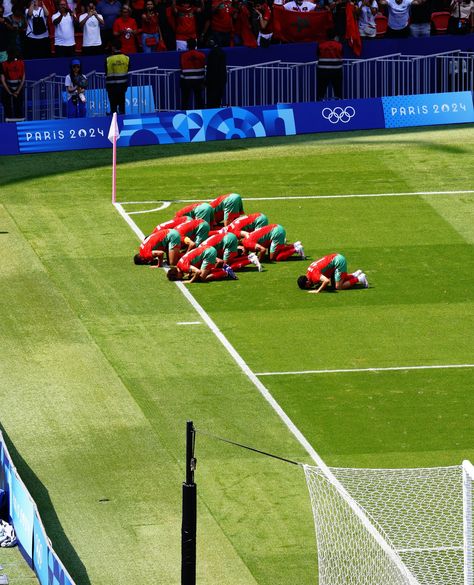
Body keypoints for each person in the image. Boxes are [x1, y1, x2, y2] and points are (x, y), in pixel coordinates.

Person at [297, 253, 368, 293]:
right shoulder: (309, 271)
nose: (310, 286)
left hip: (338, 262)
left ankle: (360, 278)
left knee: (338, 287)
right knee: (334, 283)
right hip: (335, 257)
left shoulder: (314, 275)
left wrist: (318, 290)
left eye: (308, 286)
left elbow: (327, 281)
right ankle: (354, 275)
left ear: (307, 282)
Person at [167, 244, 237, 282]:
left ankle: (225, 272)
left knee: (202, 278)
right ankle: (223, 269)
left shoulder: (183, 267)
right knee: (202, 272)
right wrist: (190, 274)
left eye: (178, 278)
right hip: (207, 249)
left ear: (177, 274)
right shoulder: (179, 264)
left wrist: (190, 281)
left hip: (208, 253)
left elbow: (198, 272)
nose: (180, 278)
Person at [241, 224, 305, 262]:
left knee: (273, 258)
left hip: (276, 233)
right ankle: (294, 245)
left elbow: (263, 250)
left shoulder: (247, 243)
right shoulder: (247, 238)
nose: (242, 253)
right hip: (275, 228)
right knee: (275, 253)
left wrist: (259, 260)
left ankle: (296, 249)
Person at [316, 29, 343, 101]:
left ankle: (320, 102)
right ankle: (338, 101)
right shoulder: (339, 45)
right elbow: (342, 54)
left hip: (322, 71)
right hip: (336, 71)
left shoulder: (321, 45)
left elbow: (318, 54)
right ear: (335, 37)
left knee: (321, 88)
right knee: (337, 88)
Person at [179, 37, 206, 109]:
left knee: (185, 100)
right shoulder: (202, 55)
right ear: (195, 45)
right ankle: (201, 115)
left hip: (186, 81)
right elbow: (204, 68)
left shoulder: (183, 56)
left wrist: (182, 82)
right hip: (199, 81)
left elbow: (182, 69)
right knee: (199, 99)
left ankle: (183, 115)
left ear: (187, 46)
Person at [1, 47, 25, 121]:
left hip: (8, 90)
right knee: (18, 108)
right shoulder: (21, 62)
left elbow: (2, 80)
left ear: (7, 54)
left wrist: (10, 93)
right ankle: (20, 125)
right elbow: (23, 77)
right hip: (18, 90)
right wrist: (17, 91)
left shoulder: (3, 64)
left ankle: (9, 127)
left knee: (9, 108)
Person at [105, 38, 130, 114]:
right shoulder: (126, 58)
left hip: (111, 87)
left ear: (113, 47)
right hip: (123, 86)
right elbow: (128, 69)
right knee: (122, 106)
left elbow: (106, 72)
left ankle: (114, 121)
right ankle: (122, 119)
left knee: (113, 107)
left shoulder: (108, 59)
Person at [205, 38, 226, 108]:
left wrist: (207, 81)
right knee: (217, 101)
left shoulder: (213, 53)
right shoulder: (221, 51)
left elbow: (212, 69)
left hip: (213, 83)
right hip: (221, 81)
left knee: (212, 102)